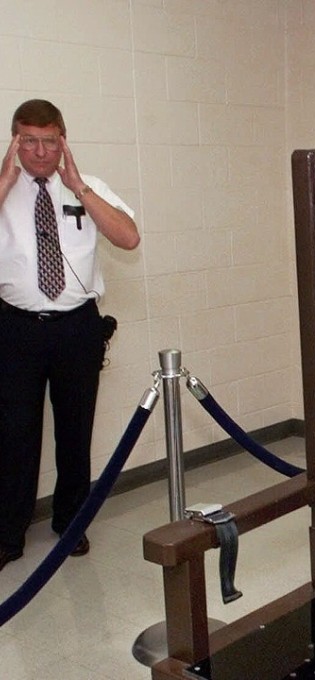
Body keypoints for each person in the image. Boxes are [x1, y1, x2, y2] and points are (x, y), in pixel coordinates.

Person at [0, 99, 139, 571]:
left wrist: (79, 187)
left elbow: (128, 238)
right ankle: (8, 534)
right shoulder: (4, 188)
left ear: (63, 140)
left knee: (74, 430)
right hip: (15, 327)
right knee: (14, 434)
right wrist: (2, 186)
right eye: (29, 140)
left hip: (77, 326)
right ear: (16, 140)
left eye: (50, 140)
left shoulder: (88, 186)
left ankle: (70, 522)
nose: (40, 152)